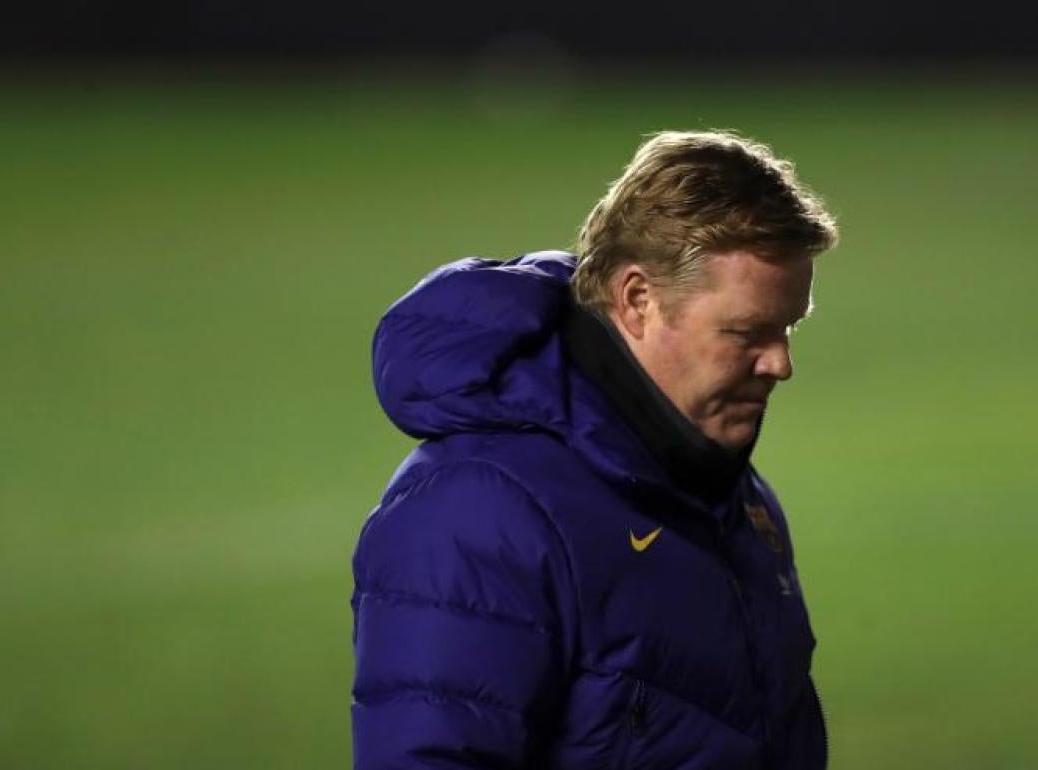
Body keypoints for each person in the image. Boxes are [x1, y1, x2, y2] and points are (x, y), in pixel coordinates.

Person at [351, 130, 839, 769]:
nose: (780, 364)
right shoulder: (479, 514)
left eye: (787, 329)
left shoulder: (731, 496)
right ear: (637, 300)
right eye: (747, 333)